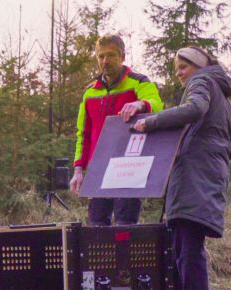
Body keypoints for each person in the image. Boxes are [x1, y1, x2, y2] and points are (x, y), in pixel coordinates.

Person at [132, 46, 231, 290]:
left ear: (198, 65)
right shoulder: (222, 95)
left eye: (183, 66)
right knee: (183, 242)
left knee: (188, 245)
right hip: (206, 174)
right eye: (176, 68)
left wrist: (150, 122)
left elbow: (193, 109)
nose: (178, 73)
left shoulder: (202, 82)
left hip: (195, 175)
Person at [69, 34, 164, 227]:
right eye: (101, 56)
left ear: (122, 56)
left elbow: (157, 105)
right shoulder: (90, 93)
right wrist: (78, 169)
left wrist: (139, 104)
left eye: (111, 55)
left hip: (128, 165)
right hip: (98, 166)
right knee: (96, 226)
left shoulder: (139, 82)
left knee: (125, 225)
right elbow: (83, 134)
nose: (105, 61)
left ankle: (125, 258)